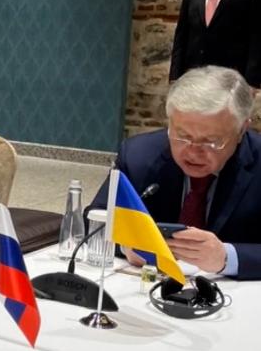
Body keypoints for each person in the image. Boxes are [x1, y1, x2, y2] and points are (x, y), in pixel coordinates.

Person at [89, 66, 261, 279]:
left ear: (242, 130)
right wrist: (124, 246)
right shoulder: (138, 156)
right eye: (182, 136)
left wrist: (227, 257)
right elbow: (94, 220)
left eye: (211, 141)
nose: (193, 152)